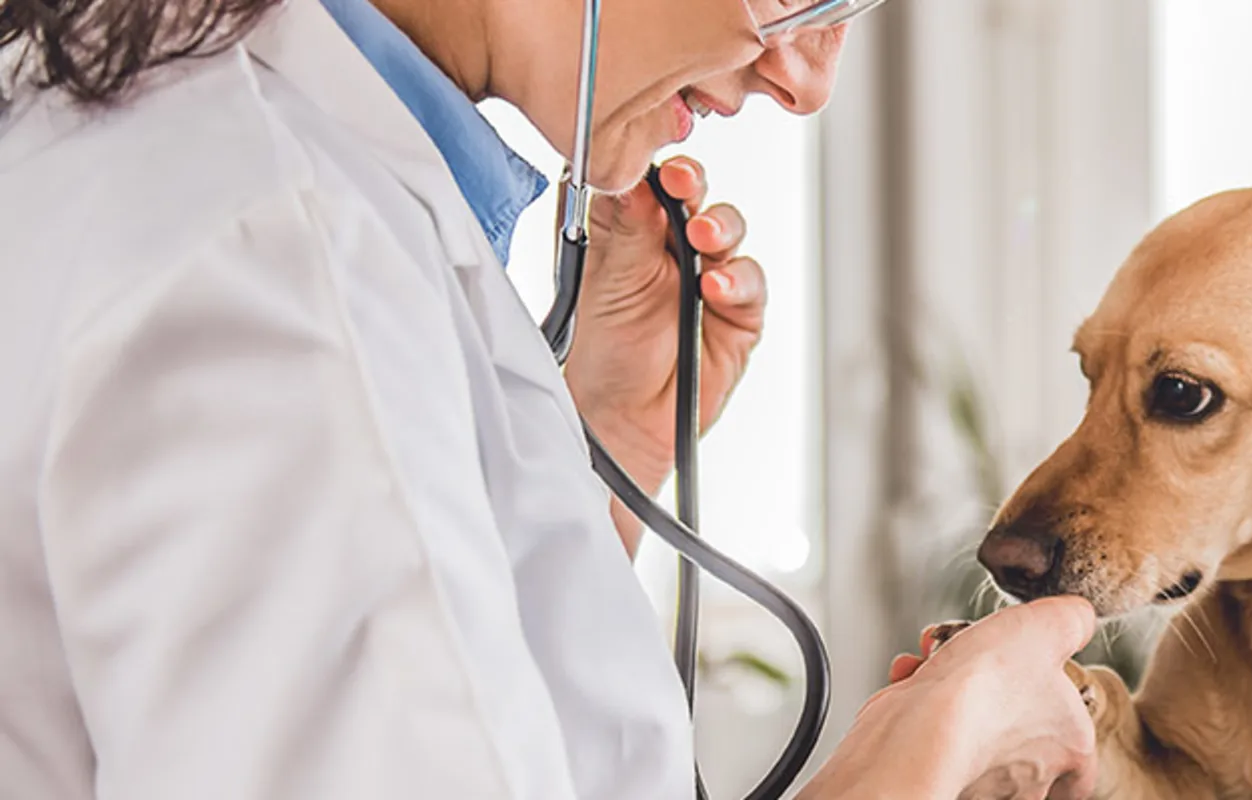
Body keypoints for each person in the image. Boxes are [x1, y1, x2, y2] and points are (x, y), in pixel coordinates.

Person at [0, 0, 1097, 796]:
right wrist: (933, 743)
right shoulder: (274, 272)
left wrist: (599, 450)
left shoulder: (216, 158)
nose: (804, 78)